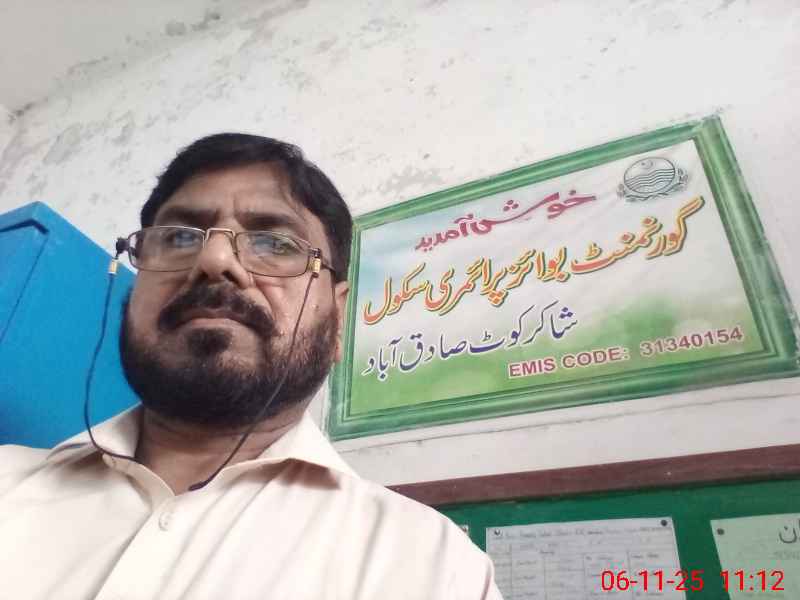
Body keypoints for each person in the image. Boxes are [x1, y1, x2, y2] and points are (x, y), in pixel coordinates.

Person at [0, 134, 502, 599]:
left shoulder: (434, 568)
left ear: (338, 319)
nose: (214, 259)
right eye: (179, 238)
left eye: (275, 244)